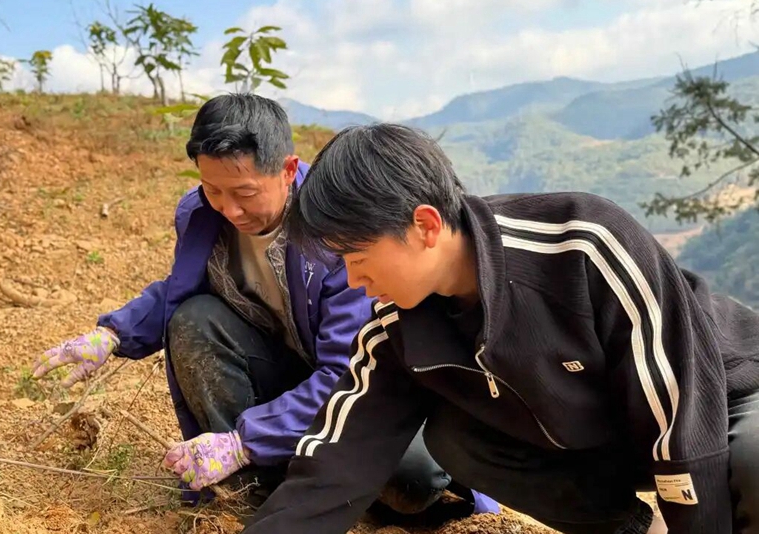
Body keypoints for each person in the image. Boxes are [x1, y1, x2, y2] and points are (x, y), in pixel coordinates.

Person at [240, 122, 759, 534]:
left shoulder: (580, 246)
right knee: (456, 438)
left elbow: (681, 413)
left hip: (721, 397)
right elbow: (340, 452)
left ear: (424, 225)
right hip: (602, 432)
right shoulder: (399, 323)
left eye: (358, 256)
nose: (354, 280)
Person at [31, 95, 496, 520]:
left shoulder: (337, 233)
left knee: (414, 480)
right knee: (195, 320)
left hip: (367, 385)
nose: (229, 209)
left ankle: (274, 457)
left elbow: (346, 372)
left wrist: (243, 440)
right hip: (288, 368)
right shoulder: (202, 216)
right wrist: (111, 335)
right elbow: (180, 289)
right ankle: (248, 483)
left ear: (288, 169)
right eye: (213, 189)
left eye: (245, 193)